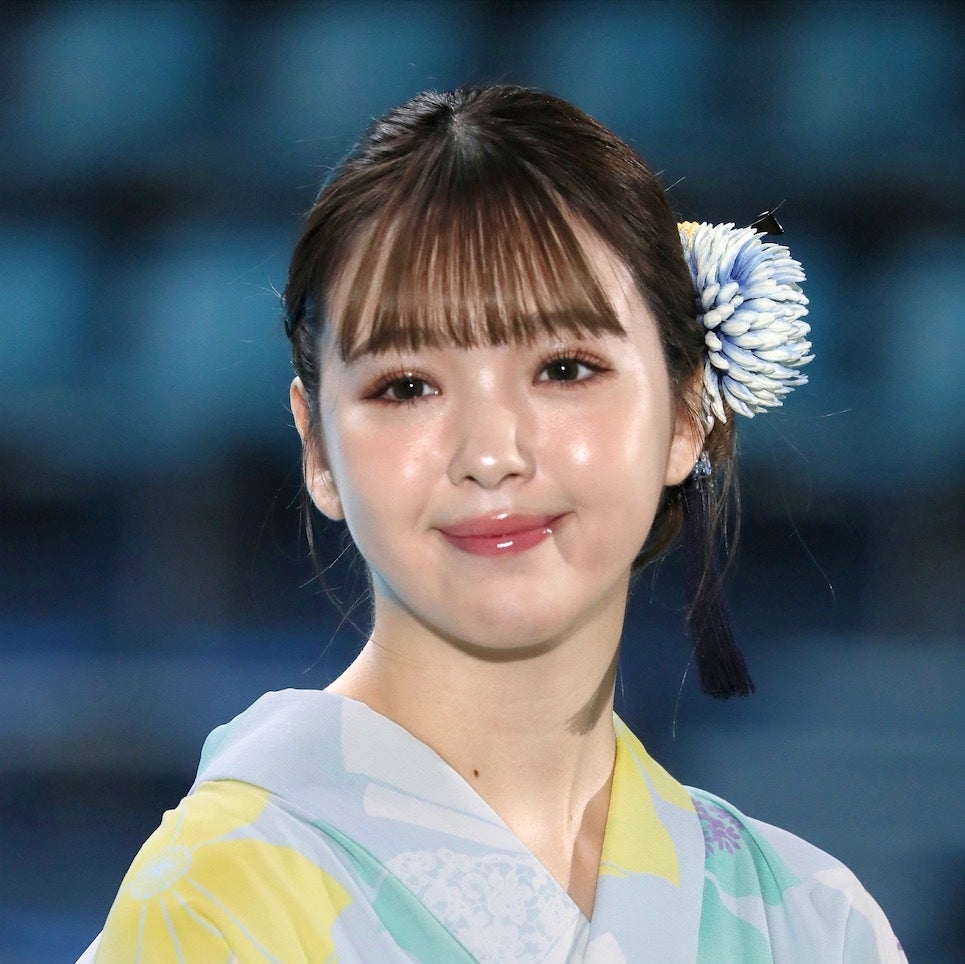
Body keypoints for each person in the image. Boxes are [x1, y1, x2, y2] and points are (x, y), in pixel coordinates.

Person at [80, 85, 904, 962]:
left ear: (682, 415)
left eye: (564, 368)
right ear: (316, 445)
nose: (491, 452)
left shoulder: (811, 922)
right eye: (406, 386)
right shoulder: (218, 899)